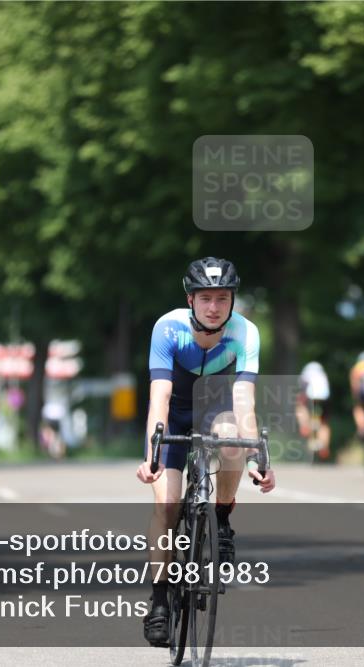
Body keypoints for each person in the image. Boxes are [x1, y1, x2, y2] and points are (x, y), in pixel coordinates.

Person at [136, 257, 276, 647]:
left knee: (233, 438)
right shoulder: (168, 328)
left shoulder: (245, 332)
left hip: (217, 407)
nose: (214, 307)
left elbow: (245, 400)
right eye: (205, 298)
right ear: (190, 299)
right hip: (175, 415)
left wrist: (255, 458)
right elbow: (159, 399)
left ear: (232, 301)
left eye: (222, 298)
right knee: (166, 506)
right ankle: (161, 600)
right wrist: (152, 455)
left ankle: (221, 516)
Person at [296, 361, 331, 461]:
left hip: (311, 397)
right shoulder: (323, 375)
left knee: (300, 406)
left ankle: (304, 425)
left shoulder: (305, 375)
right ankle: (325, 447)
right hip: (324, 399)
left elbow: (302, 392)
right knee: (324, 423)